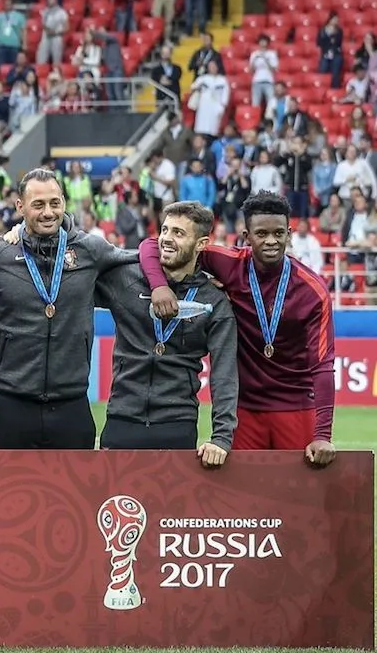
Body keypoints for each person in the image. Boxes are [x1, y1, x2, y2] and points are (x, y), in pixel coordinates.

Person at [141, 192, 336, 464]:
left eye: (279, 233)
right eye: (261, 233)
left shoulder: (313, 291)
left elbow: (323, 365)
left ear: (289, 234)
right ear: (246, 236)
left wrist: (323, 433)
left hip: (296, 406)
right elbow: (153, 245)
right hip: (243, 410)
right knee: (244, 502)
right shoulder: (229, 263)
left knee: (298, 502)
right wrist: (159, 286)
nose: (271, 240)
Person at [0, 168, 137, 450]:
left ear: (64, 202)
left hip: (71, 405)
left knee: (75, 495)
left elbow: (138, 260)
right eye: (38, 205)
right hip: (10, 405)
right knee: (4, 494)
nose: (48, 212)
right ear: (20, 206)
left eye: (55, 203)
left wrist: (207, 265)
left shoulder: (91, 249)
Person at [99, 200, 235, 461]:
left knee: (170, 503)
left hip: (177, 423)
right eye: (164, 230)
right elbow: (78, 272)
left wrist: (221, 437)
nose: (167, 239)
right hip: (121, 419)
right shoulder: (126, 279)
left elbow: (225, 374)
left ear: (201, 244)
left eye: (178, 233)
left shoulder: (214, 300)